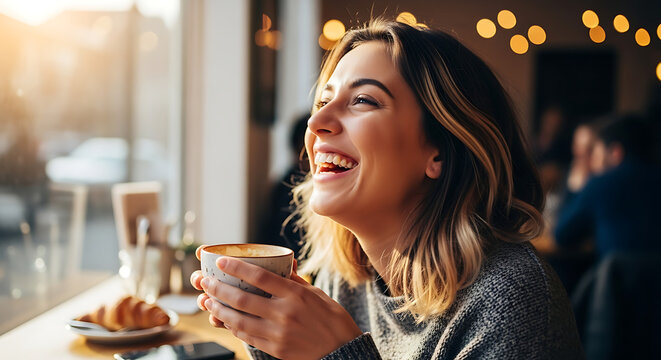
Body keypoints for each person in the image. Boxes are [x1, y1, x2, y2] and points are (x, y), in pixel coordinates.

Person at [191, 19, 583, 359]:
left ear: (441, 151)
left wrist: (336, 354)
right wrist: (272, 338)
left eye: (363, 100)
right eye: (324, 100)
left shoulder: (512, 303)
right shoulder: (344, 280)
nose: (317, 122)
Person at [555, 114, 661, 259]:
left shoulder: (600, 184)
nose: (593, 159)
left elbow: (562, 235)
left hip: (616, 280)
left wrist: (576, 186)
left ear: (615, 153)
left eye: (597, 151)